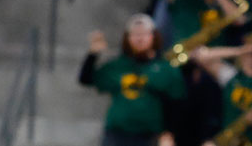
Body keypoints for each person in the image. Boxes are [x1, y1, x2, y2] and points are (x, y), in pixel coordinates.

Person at [79, 16, 184, 146]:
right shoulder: (118, 65)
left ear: (154, 36)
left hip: (149, 135)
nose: (139, 39)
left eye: (144, 34)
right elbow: (86, 79)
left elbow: (178, 103)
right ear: (127, 38)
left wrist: (169, 133)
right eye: (135, 34)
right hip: (117, 134)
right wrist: (93, 54)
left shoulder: (165, 68)